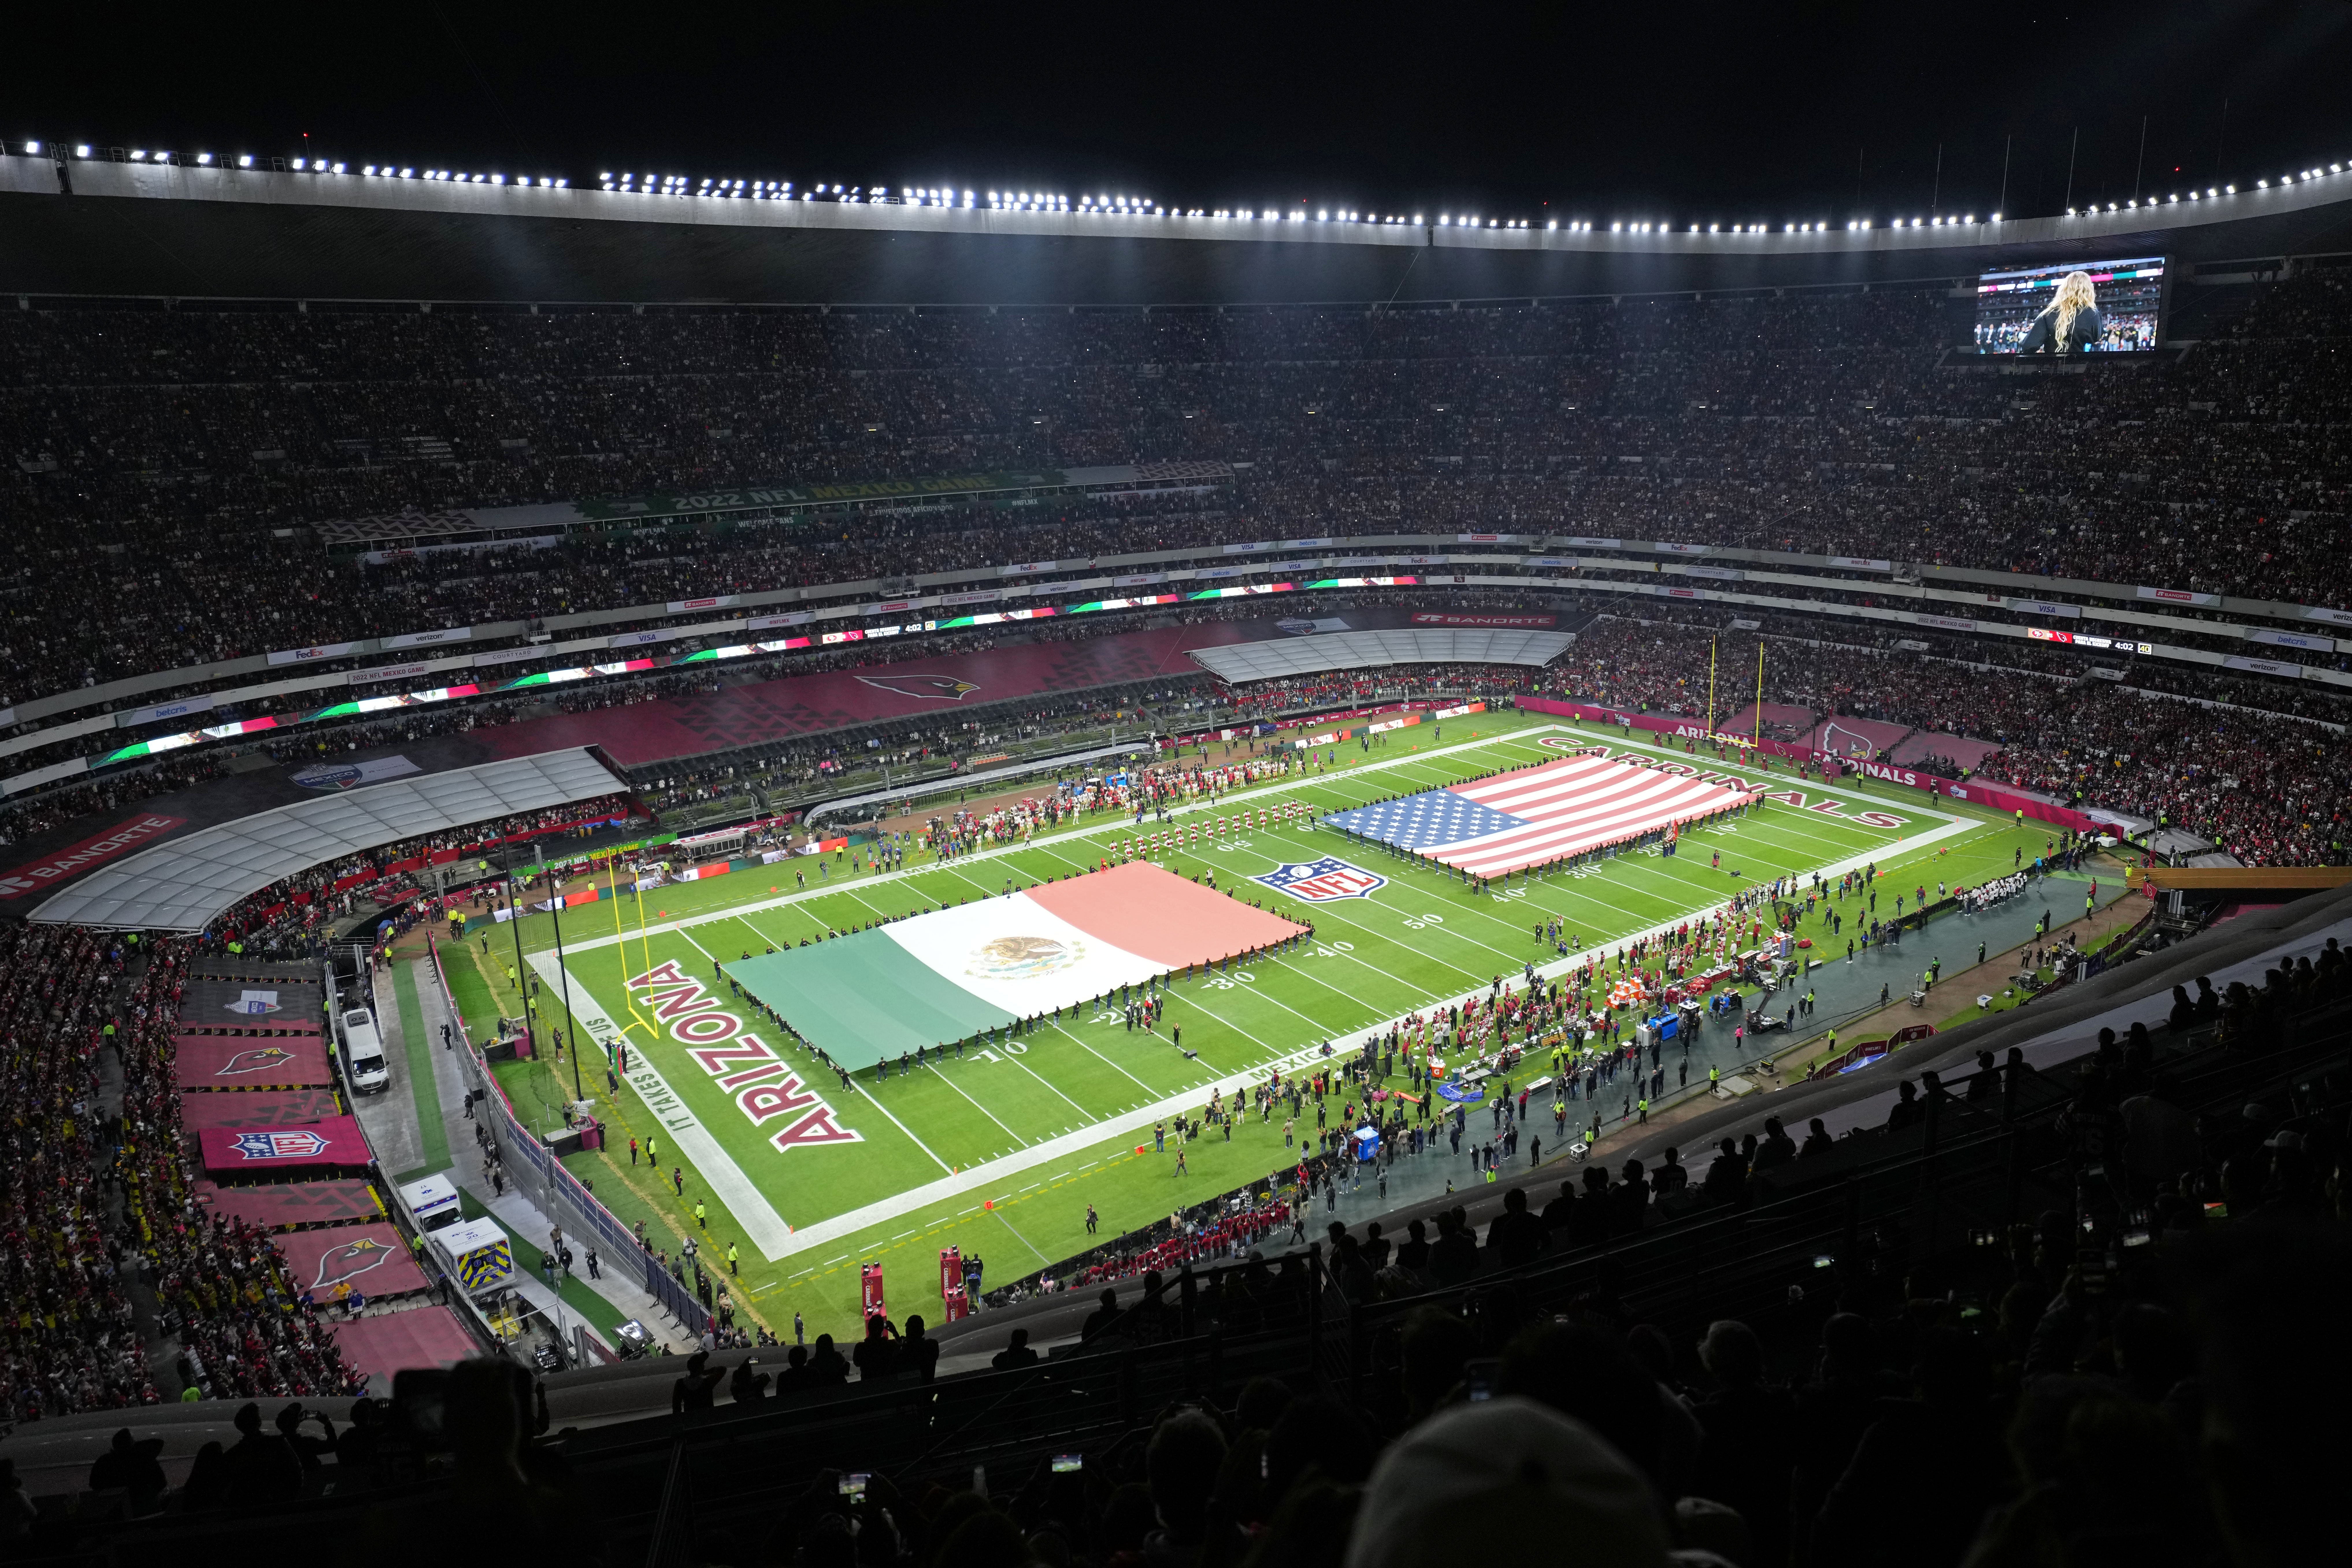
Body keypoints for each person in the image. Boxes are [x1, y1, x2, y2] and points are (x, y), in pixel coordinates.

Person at [2016, 270, 2104, 355]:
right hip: (2080, 367)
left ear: (2064, 289)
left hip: (2051, 367)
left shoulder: (2049, 314)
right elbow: (2096, 337)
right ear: (2089, 290)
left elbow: (2028, 346)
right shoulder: (2093, 314)